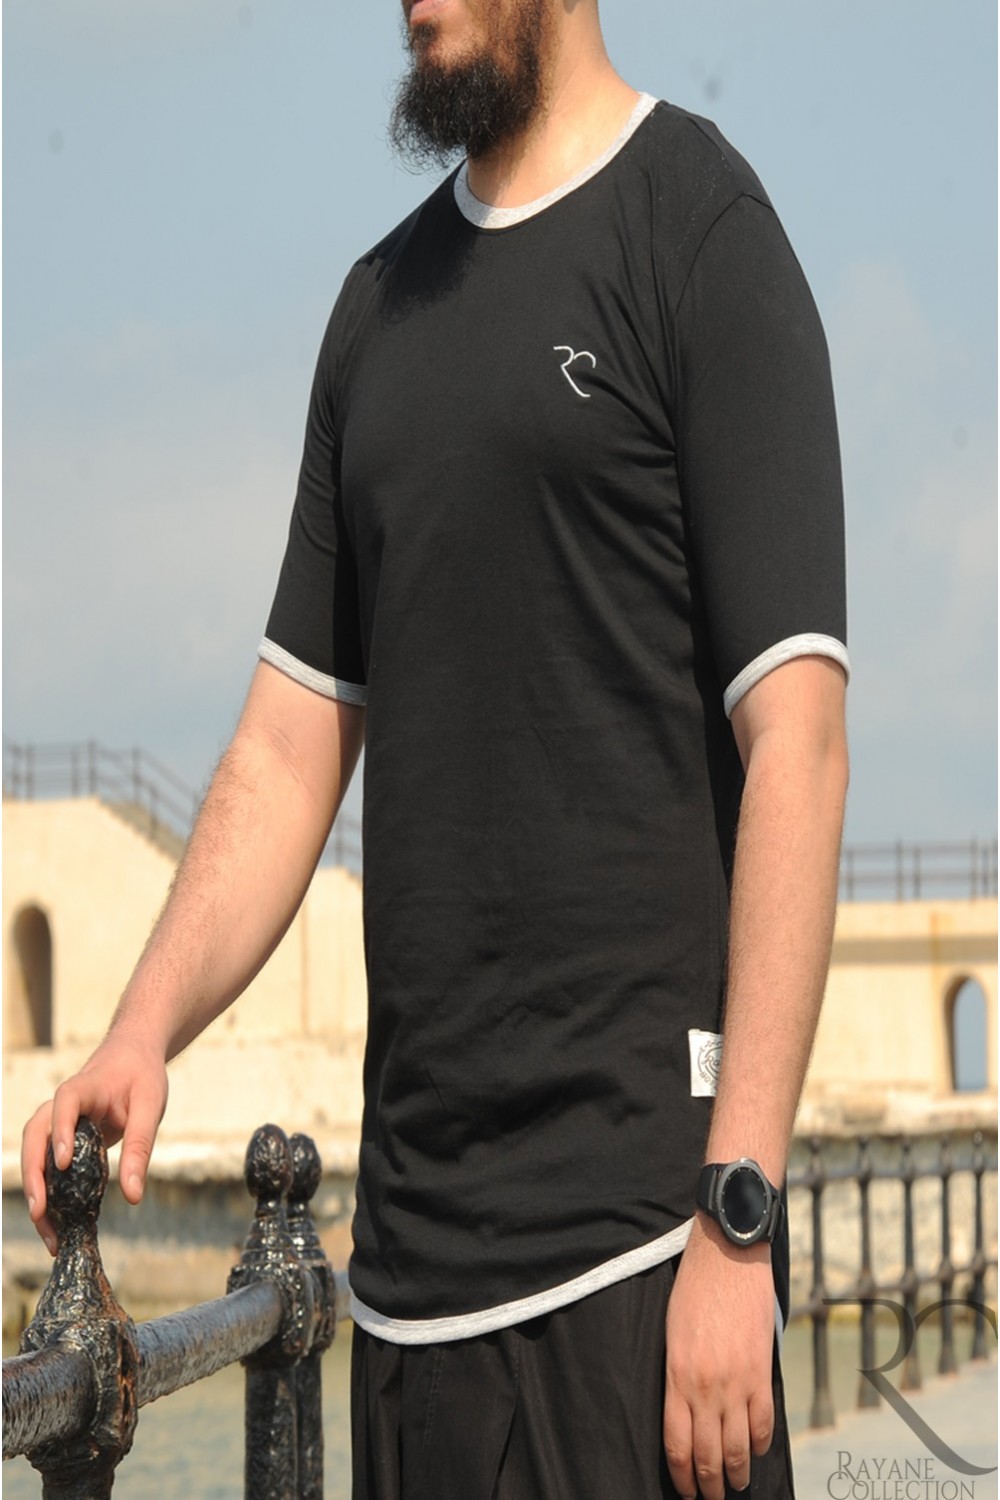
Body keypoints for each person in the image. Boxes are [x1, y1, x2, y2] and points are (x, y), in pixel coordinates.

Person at [22, 2, 849, 1496]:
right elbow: (287, 752)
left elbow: (797, 739)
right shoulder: (376, 311)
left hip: (644, 1262)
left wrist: (738, 1222)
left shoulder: (699, 226)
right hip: (406, 1291)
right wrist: (141, 1032)